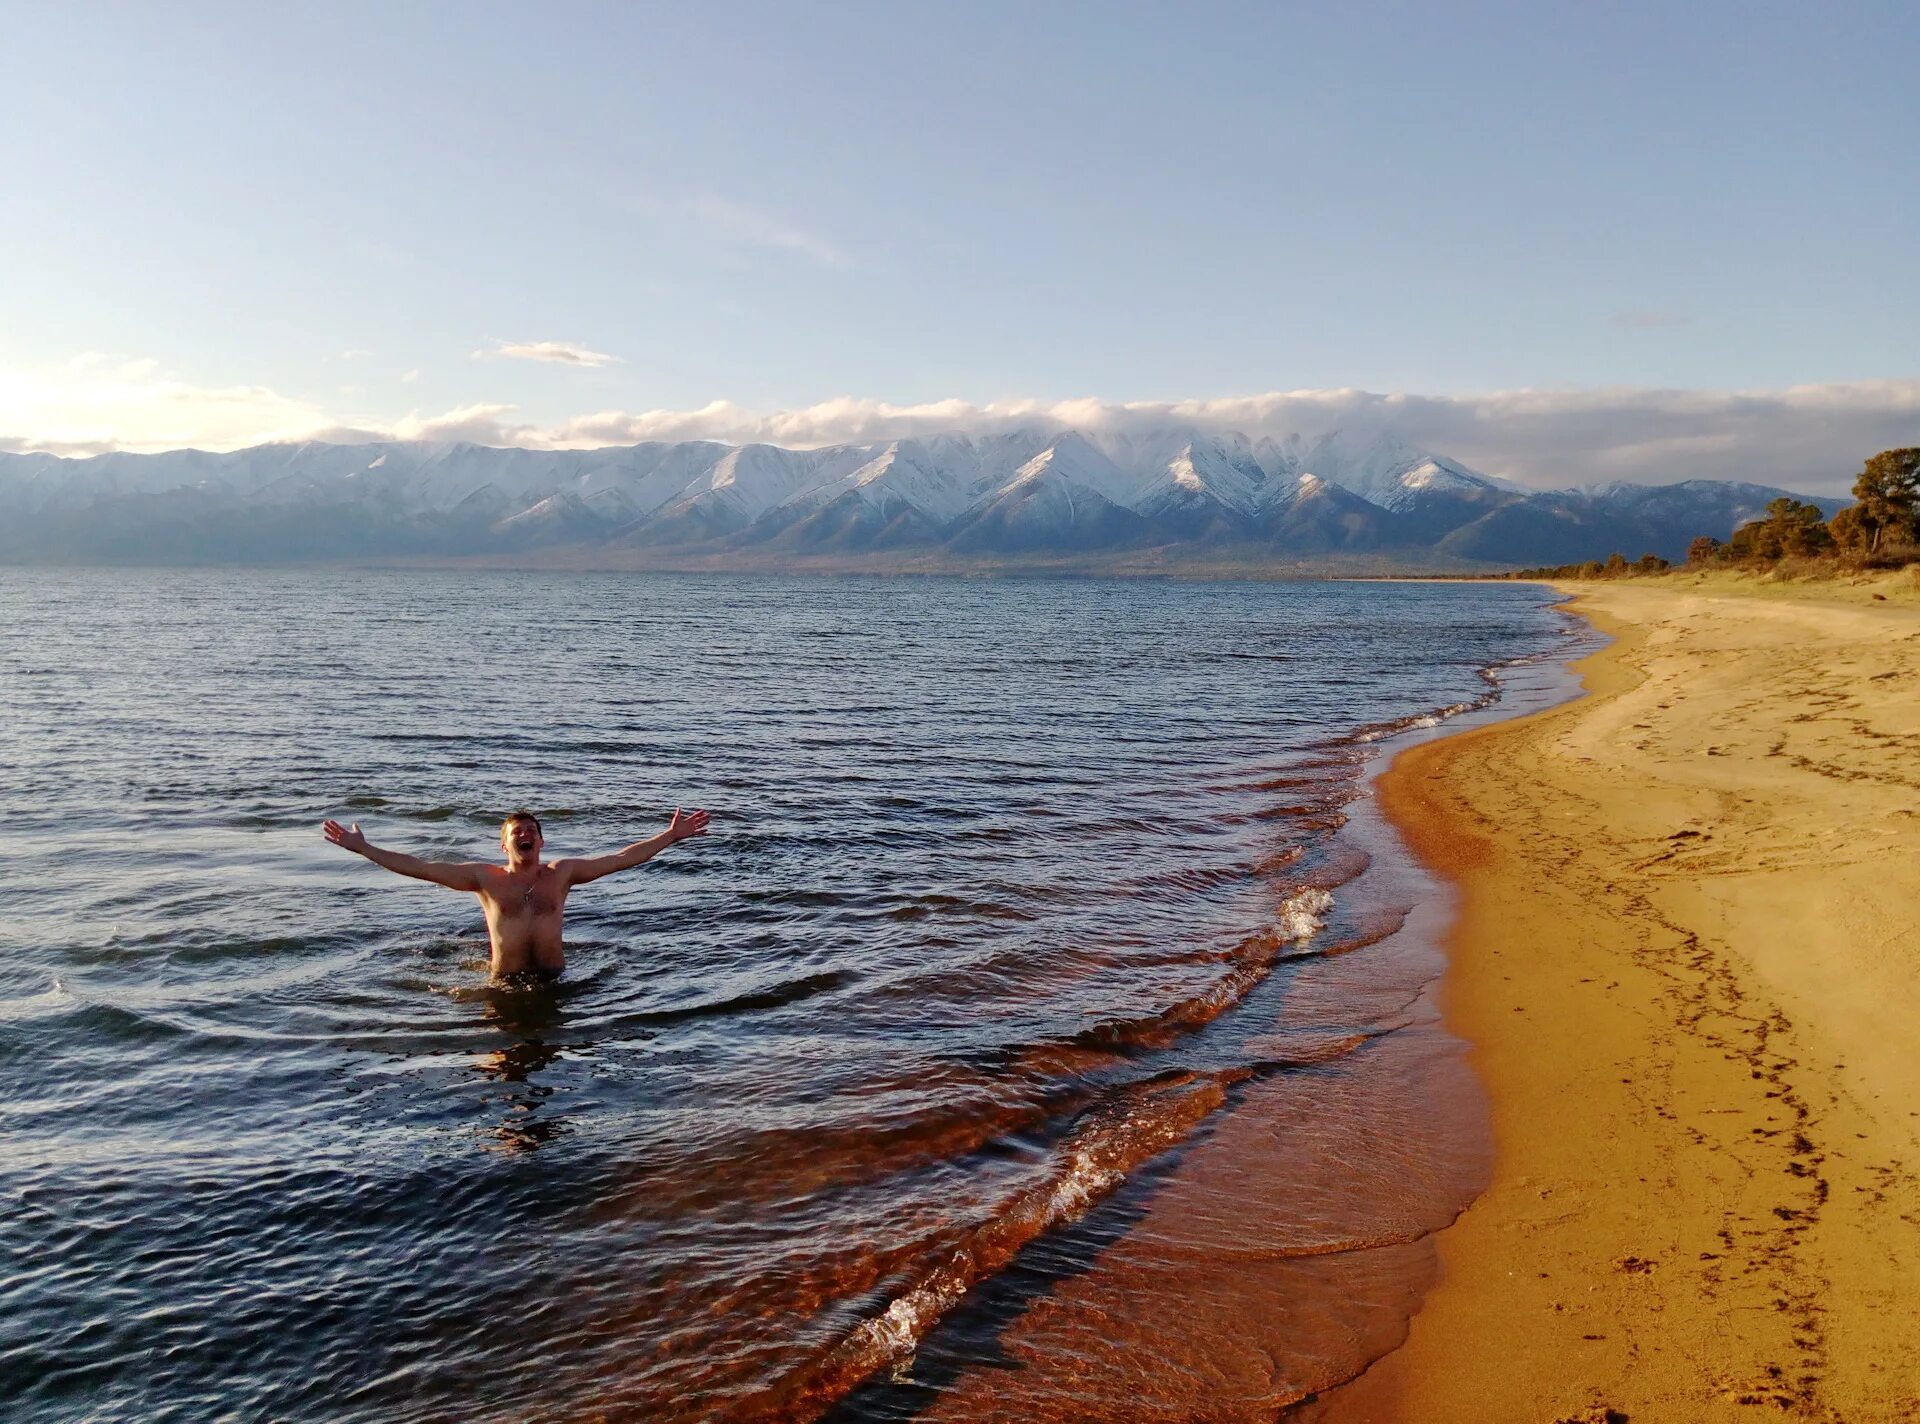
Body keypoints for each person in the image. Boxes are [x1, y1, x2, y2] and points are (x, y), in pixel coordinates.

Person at [321, 808, 709, 977]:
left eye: (530, 832)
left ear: (541, 841)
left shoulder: (562, 873)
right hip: (504, 984)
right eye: (516, 833)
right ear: (503, 846)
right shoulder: (485, 878)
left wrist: (671, 836)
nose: (524, 835)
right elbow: (421, 868)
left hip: (556, 979)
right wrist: (366, 849)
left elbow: (623, 857)